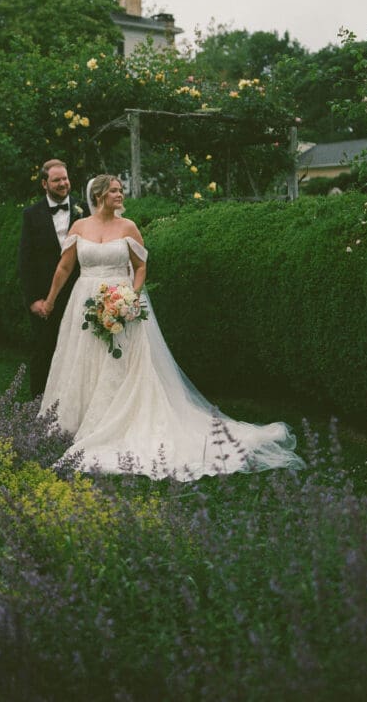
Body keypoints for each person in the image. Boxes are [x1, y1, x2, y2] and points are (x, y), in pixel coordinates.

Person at [40, 174, 305, 480]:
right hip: (83, 302)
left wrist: (129, 298)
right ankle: (77, 419)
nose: (120, 195)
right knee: (82, 357)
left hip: (120, 301)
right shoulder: (79, 227)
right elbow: (64, 267)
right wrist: (49, 300)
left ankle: (117, 417)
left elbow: (140, 268)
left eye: (120, 190)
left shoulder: (129, 228)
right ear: (99, 195)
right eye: (115, 191)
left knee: (121, 362)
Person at [18, 159, 87, 396]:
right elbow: (25, 262)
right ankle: (37, 405)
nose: (63, 183)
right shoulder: (31, 214)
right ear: (44, 183)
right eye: (56, 180)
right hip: (45, 295)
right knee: (44, 349)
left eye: (65, 178)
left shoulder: (85, 209)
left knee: (79, 351)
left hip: (79, 293)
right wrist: (33, 300)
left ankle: (72, 401)